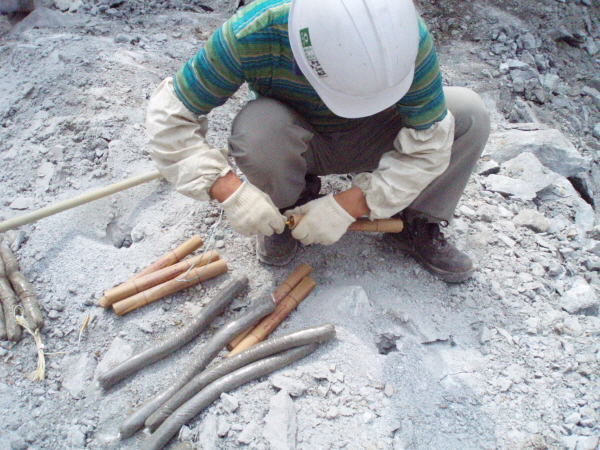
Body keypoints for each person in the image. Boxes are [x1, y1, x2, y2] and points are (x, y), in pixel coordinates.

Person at [146, 0, 490, 283]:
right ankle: (283, 210)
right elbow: (169, 117)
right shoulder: (254, 32)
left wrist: (353, 204)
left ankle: (414, 222)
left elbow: (430, 143)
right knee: (256, 131)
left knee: (468, 114)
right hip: (298, 140)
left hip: (378, 139)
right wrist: (228, 190)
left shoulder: (403, 35)